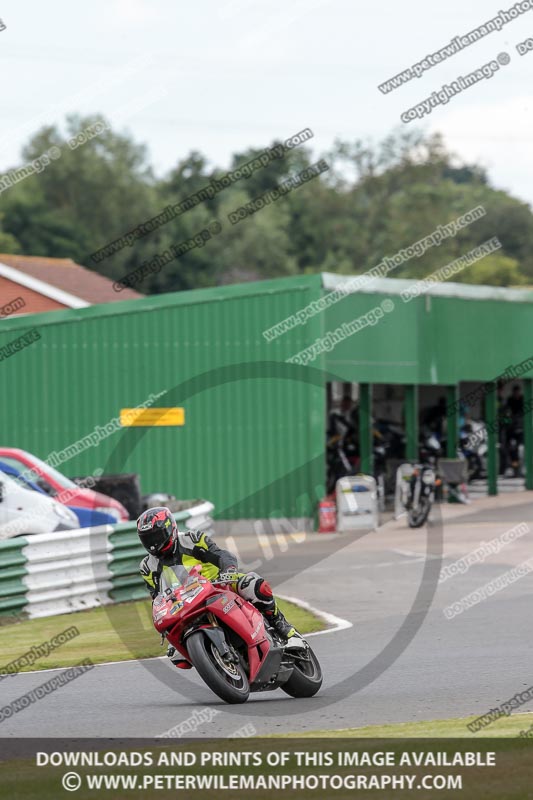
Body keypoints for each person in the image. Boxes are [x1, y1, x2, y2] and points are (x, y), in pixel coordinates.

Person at [137, 506, 303, 667]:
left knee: (254, 586)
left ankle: (285, 629)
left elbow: (222, 555)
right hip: (184, 604)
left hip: (218, 584)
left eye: (157, 536)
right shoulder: (147, 566)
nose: (154, 543)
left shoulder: (191, 539)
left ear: (170, 528)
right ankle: (214, 659)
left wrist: (228, 571)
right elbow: (157, 598)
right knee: (178, 657)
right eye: (148, 539)